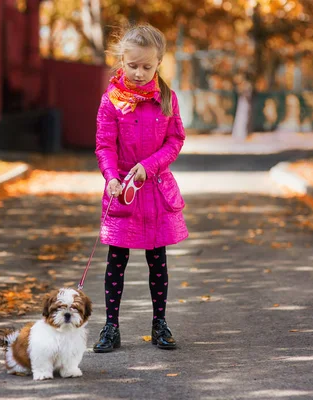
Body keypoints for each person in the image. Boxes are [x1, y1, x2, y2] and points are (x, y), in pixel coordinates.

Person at [93, 23, 188, 353]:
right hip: (123, 191)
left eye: (147, 66)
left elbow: (175, 140)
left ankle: (159, 323)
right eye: (132, 65)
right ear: (122, 61)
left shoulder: (166, 99)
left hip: (155, 191)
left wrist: (149, 166)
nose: (139, 72)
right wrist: (111, 177)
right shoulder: (111, 102)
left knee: (157, 259)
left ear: (159, 62)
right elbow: (105, 145)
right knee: (116, 259)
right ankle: (111, 326)